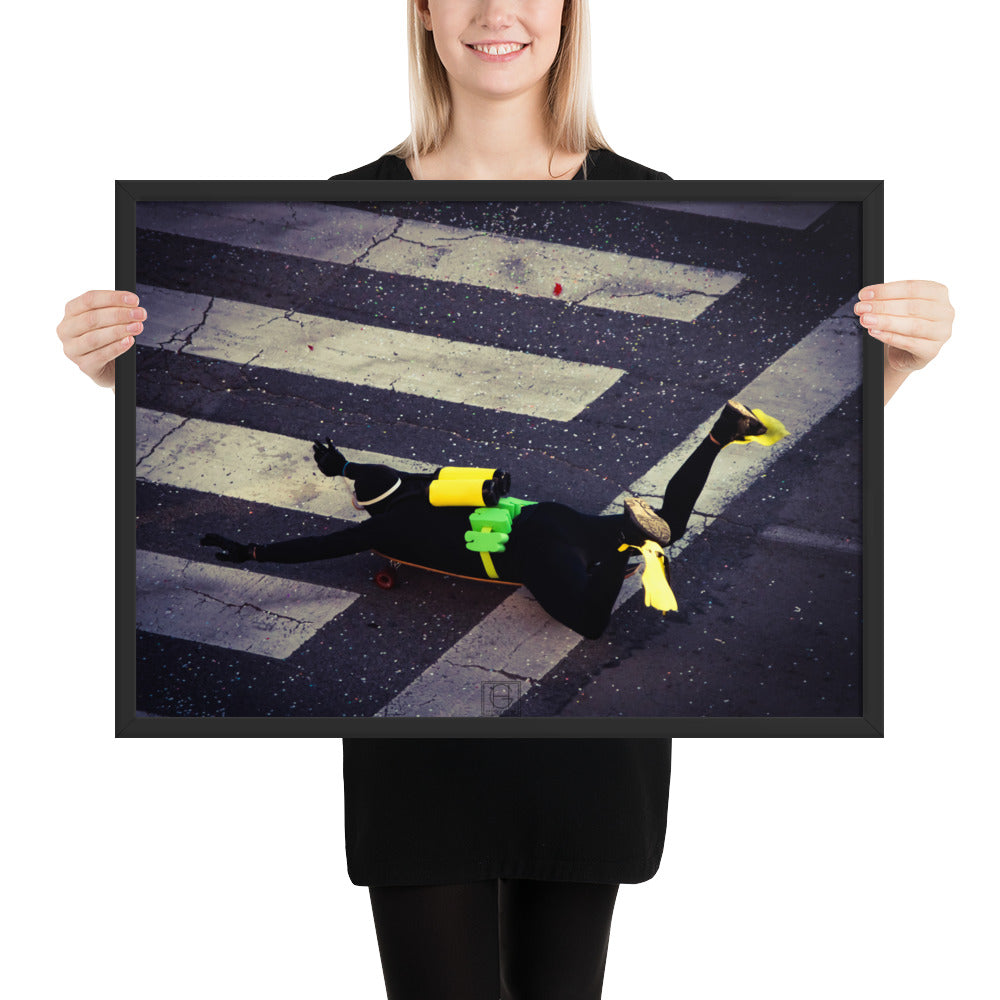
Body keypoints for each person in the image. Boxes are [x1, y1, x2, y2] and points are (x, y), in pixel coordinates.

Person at [55, 2, 954, 997]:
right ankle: (694, 470)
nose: (496, 11)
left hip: (573, 712)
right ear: (424, 13)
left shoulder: (638, 204)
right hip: (444, 731)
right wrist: (122, 382)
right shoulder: (354, 222)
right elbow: (343, 515)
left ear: (570, 14)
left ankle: (662, 518)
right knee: (633, 555)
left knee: (605, 596)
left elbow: (324, 538)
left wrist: (898, 366)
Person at [199, 401, 780, 638]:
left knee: (591, 623)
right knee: (672, 523)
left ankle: (632, 543)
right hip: (551, 519)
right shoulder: (428, 485)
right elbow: (373, 474)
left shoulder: (380, 530)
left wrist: (254, 553)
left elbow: (321, 546)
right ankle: (720, 433)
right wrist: (343, 465)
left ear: (368, 509)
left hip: (527, 553)